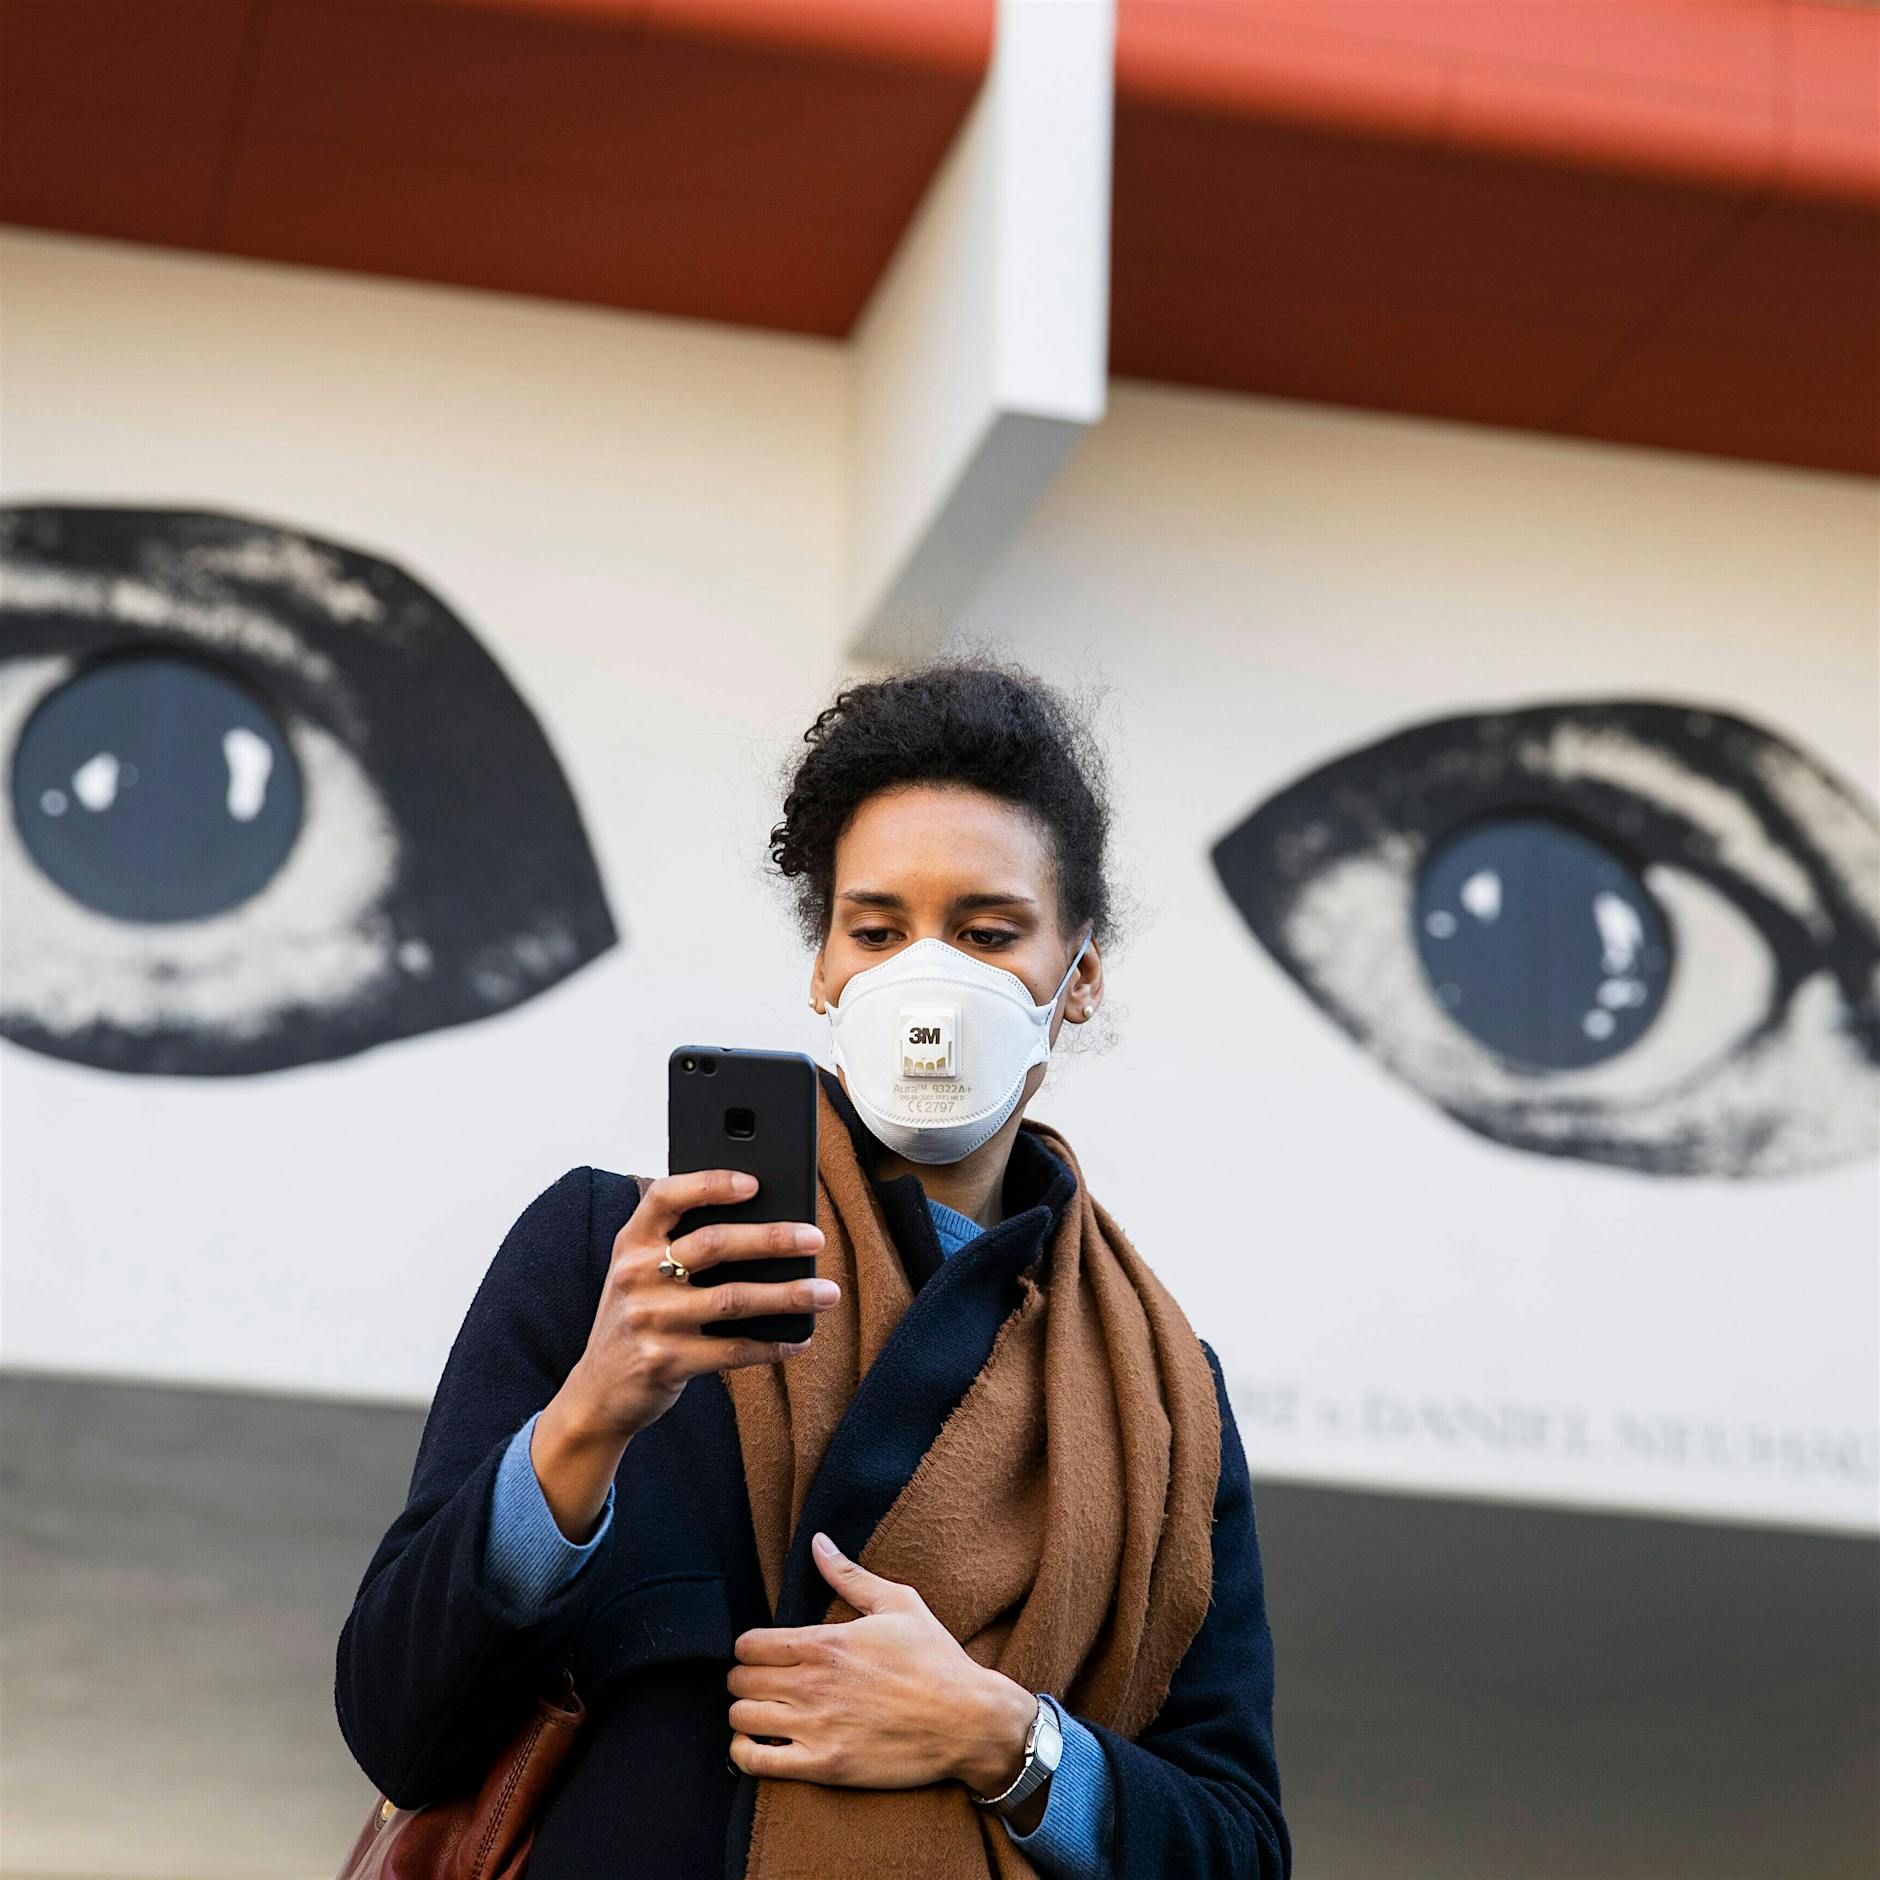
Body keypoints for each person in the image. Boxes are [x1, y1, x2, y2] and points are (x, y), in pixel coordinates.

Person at [335, 658, 1291, 1879]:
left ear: (1080, 976)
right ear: (824, 970)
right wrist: (588, 1416)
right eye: (877, 931)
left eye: (987, 933)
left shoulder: (1161, 1399)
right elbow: (398, 1723)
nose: (926, 978)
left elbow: (1238, 1846)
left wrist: (1003, 1737)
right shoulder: (613, 1259)